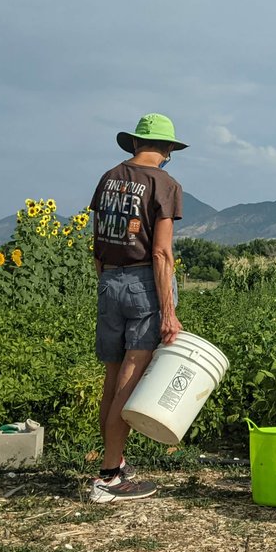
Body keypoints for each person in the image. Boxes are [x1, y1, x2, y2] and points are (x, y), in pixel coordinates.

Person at [87, 113, 186, 503]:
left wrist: (107, 278)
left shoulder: (108, 178)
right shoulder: (165, 184)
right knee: (131, 380)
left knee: (112, 379)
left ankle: (115, 461)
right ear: (166, 150)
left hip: (109, 280)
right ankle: (110, 478)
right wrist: (169, 310)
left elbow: (97, 240)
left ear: (134, 144)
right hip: (144, 283)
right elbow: (162, 252)